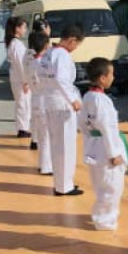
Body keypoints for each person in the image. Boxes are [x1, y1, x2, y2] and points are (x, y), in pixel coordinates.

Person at [79, 57, 128, 231]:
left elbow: (82, 122)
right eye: (111, 74)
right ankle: (104, 220)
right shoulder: (102, 100)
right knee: (111, 187)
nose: (113, 78)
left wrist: (89, 140)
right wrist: (114, 153)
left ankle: (105, 215)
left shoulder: (87, 96)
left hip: (94, 146)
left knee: (101, 185)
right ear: (102, 78)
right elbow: (107, 128)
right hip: (106, 148)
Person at [37, 24, 84, 196]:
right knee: (65, 146)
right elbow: (61, 80)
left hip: (49, 101)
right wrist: (73, 100)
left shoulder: (48, 53)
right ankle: (64, 186)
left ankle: (61, 182)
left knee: (56, 145)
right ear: (71, 40)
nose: (75, 48)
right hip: (62, 104)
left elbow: (40, 75)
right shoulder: (62, 55)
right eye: (76, 44)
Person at [26, 32, 52, 172]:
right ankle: (47, 166)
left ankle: (43, 164)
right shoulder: (43, 64)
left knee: (42, 136)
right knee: (47, 136)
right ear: (45, 45)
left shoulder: (31, 63)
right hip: (44, 101)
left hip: (35, 99)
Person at [5, 16, 32, 139]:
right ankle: (23, 129)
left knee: (22, 103)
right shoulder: (16, 45)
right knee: (23, 103)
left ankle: (23, 127)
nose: (25, 30)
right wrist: (25, 81)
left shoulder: (15, 44)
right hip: (20, 79)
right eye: (24, 27)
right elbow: (21, 64)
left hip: (17, 78)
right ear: (17, 28)